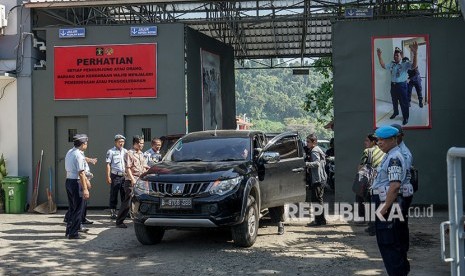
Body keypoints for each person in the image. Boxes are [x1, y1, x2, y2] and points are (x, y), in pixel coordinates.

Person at [371, 125, 409, 275]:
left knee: (389, 244)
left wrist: (384, 207)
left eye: (383, 140)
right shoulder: (389, 155)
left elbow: (394, 186)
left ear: (393, 139)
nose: (379, 143)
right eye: (378, 140)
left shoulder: (394, 158)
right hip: (387, 204)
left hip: (388, 206)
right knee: (391, 243)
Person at [376, 42, 418, 125]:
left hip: (402, 86)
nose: (395, 56)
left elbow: (414, 66)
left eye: (397, 55)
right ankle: (396, 112)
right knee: (394, 101)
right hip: (393, 85)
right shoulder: (392, 63)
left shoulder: (405, 64)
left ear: (401, 56)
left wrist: (415, 53)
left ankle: (405, 117)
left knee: (404, 103)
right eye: (395, 55)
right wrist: (379, 56)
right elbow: (383, 65)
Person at [116, 135, 150, 228]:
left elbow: (144, 166)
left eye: (143, 143)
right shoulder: (129, 153)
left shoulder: (141, 154)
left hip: (140, 180)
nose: (142, 145)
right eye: (140, 143)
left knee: (140, 200)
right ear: (135, 143)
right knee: (127, 201)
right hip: (131, 180)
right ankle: (119, 221)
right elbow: (128, 168)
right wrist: (132, 180)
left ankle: (139, 218)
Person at [391, 123, 415, 257]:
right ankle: (399, 247)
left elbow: (400, 176)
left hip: (401, 192)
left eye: (396, 136)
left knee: (400, 222)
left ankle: (402, 249)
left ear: (401, 136)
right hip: (398, 191)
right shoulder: (395, 151)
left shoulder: (404, 153)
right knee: (397, 221)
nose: (393, 139)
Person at [357, 133, 385, 235]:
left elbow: (360, 167)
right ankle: (377, 226)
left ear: (373, 142)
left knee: (369, 204)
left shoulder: (368, 151)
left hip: (369, 183)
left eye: (367, 141)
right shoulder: (384, 151)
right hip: (382, 182)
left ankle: (372, 227)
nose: (365, 143)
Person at [64, 134, 91, 239]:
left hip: (69, 181)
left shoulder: (70, 152)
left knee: (72, 208)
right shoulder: (79, 155)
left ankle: (69, 230)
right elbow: (81, 173)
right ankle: (73, 233)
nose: (86, 145)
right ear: (83, 144)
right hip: (77, 182)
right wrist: (85, 189)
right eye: (86, 143)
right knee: (78, 209)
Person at [305, 134, 328, 226]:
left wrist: (305, 164)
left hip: (318, 179)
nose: (307, 144)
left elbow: (317, 163)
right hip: (320, 178)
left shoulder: (314, 150)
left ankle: (319, 221)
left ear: (314, 142)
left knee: (317, 200)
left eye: (308, 142)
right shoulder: (317, 149)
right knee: (318, 199)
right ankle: (320, 220)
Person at [106, 134, 127, 219]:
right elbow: (108, 164)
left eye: (122, 141)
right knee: (114, 194)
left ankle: (123, 212)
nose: (121, 143)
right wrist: (108, 176)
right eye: (119, 142)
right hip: (115, 175)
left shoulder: (126, 151)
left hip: (124, 176)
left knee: (124, 194)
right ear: (115, 142)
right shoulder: (111, 151)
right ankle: (113, 211)